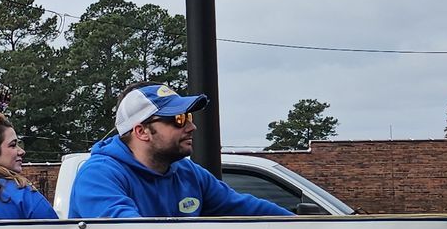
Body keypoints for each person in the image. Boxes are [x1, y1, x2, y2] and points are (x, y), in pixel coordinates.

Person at [68, 85, 291, 219]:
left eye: (189, 117)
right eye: (178, 119)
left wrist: (310, 228)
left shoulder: (187, 172)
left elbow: (248, 210)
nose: (191, 127)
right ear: (142, 131)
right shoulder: (98, 175)